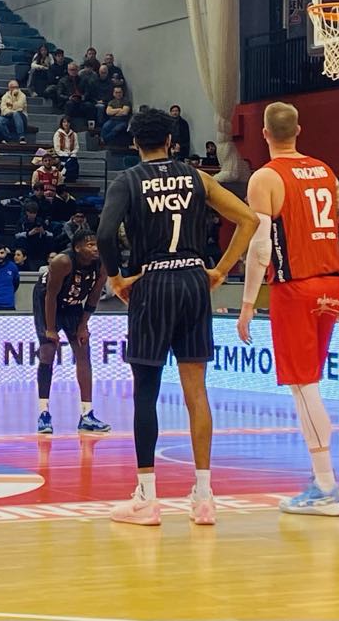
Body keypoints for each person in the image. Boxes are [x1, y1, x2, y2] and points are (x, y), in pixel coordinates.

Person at [97, 108, 257, 526]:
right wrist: (220, 270)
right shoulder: (197, 177)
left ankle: (147, 499)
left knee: (146, 392)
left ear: (134, 143)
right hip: (192, 281)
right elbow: (249, 219)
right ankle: (204, 497)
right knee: (196, 392)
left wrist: (116, 278)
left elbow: (104, 234)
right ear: (171, 142)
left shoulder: (128, 180)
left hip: (152, 283)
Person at [236, 102, 339, 516]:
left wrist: (247, 303)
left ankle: (326, 486)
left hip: (296, 287)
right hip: (331, 283)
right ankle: (320, 480)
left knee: (303, 386)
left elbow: (260, 247)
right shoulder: (325, 170)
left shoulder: (265, 177)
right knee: (311, 383)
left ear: (264, 134)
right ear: (299, 130)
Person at [33, 229, 110, 434]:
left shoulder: (102, 263)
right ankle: (44, 413)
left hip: (73, 303)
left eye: (96, 244)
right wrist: (51, 329)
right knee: (48, 351)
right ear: (77, 248)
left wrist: (83, 325)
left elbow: (94, 296)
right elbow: (50, 296)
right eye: (90, 245)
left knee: (83, 350)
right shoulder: (63, 262)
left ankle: (87, 414)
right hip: (48, 301)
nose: (95, 248)